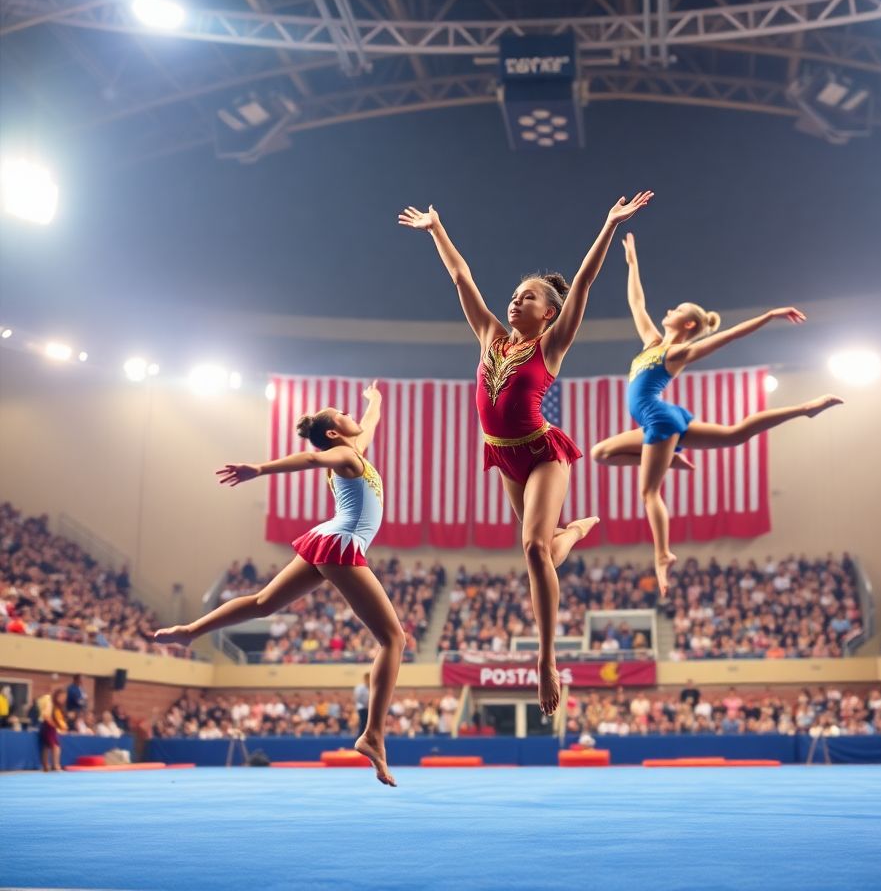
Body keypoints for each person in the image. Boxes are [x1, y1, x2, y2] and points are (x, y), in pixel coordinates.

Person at [400, 191, 653, 714]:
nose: (516, 302)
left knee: (535, 550)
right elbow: (461, 278)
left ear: (550, 313)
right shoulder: (490, 335)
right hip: (502, 455)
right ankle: (573, 531)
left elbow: (582, 283)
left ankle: (546, 659)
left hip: (541, 454)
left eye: (529, 298)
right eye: (515, 295)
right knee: (539, 547)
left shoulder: (551, 345)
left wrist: (607, 224)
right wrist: (436, 230)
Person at [150, 381, 403, 787]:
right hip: (342, 542)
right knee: (394, 640)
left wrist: (374, 400)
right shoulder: (342, 455)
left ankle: (190, 632)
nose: (352, 416)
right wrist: (260, 469)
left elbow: (369, 421)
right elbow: (309, 456)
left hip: (328, 537)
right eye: (342, 414)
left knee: (264, 602)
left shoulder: (354, 452)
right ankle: (373, 733)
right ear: (335, 433)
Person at [591, 232, 843, 594]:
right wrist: (632, 263)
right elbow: (637, 303)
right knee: (730, 435)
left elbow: (729, 337)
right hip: (660, 419)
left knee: (649, 493)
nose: (667, 312)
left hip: (659, 421)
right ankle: (804, 410)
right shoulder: (651, 343)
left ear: (688, 326)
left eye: (676, 311)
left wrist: (769, 315)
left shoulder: (675, 353)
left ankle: (662, 554)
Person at [37, 687, 68, 772]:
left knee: (48, 746)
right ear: (57, 696)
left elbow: (59, 719)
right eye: (62, 697)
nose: (63, 699)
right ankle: (55, 765)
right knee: (55, 747)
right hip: (48, 727)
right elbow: (46, 716)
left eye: (65, 698)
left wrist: (60, 727)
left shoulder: (59, 707)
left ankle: (47, 766)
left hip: (52, 727)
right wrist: (55, 725)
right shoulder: (50, 703)